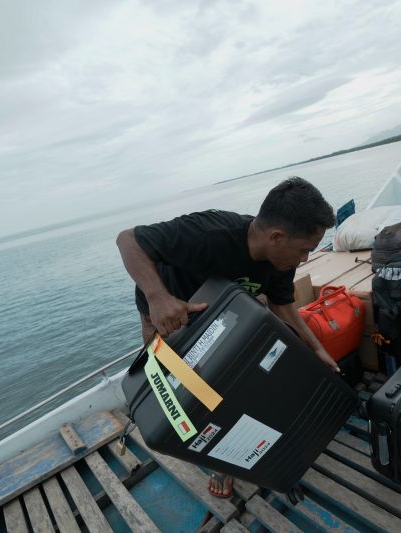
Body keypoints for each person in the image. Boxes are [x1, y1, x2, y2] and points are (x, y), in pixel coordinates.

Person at [116, 176, 338, 499]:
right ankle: (213, 457)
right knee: (183, 396)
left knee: (234, 384)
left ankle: (234, 452)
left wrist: (315, 347)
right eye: (304, 250)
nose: (304, 259)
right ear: (277, 237)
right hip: (169, 315)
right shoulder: (208, 234)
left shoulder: (280, 259)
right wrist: (157, 297)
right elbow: (128, 240)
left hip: (220, 321)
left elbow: (281, 302)